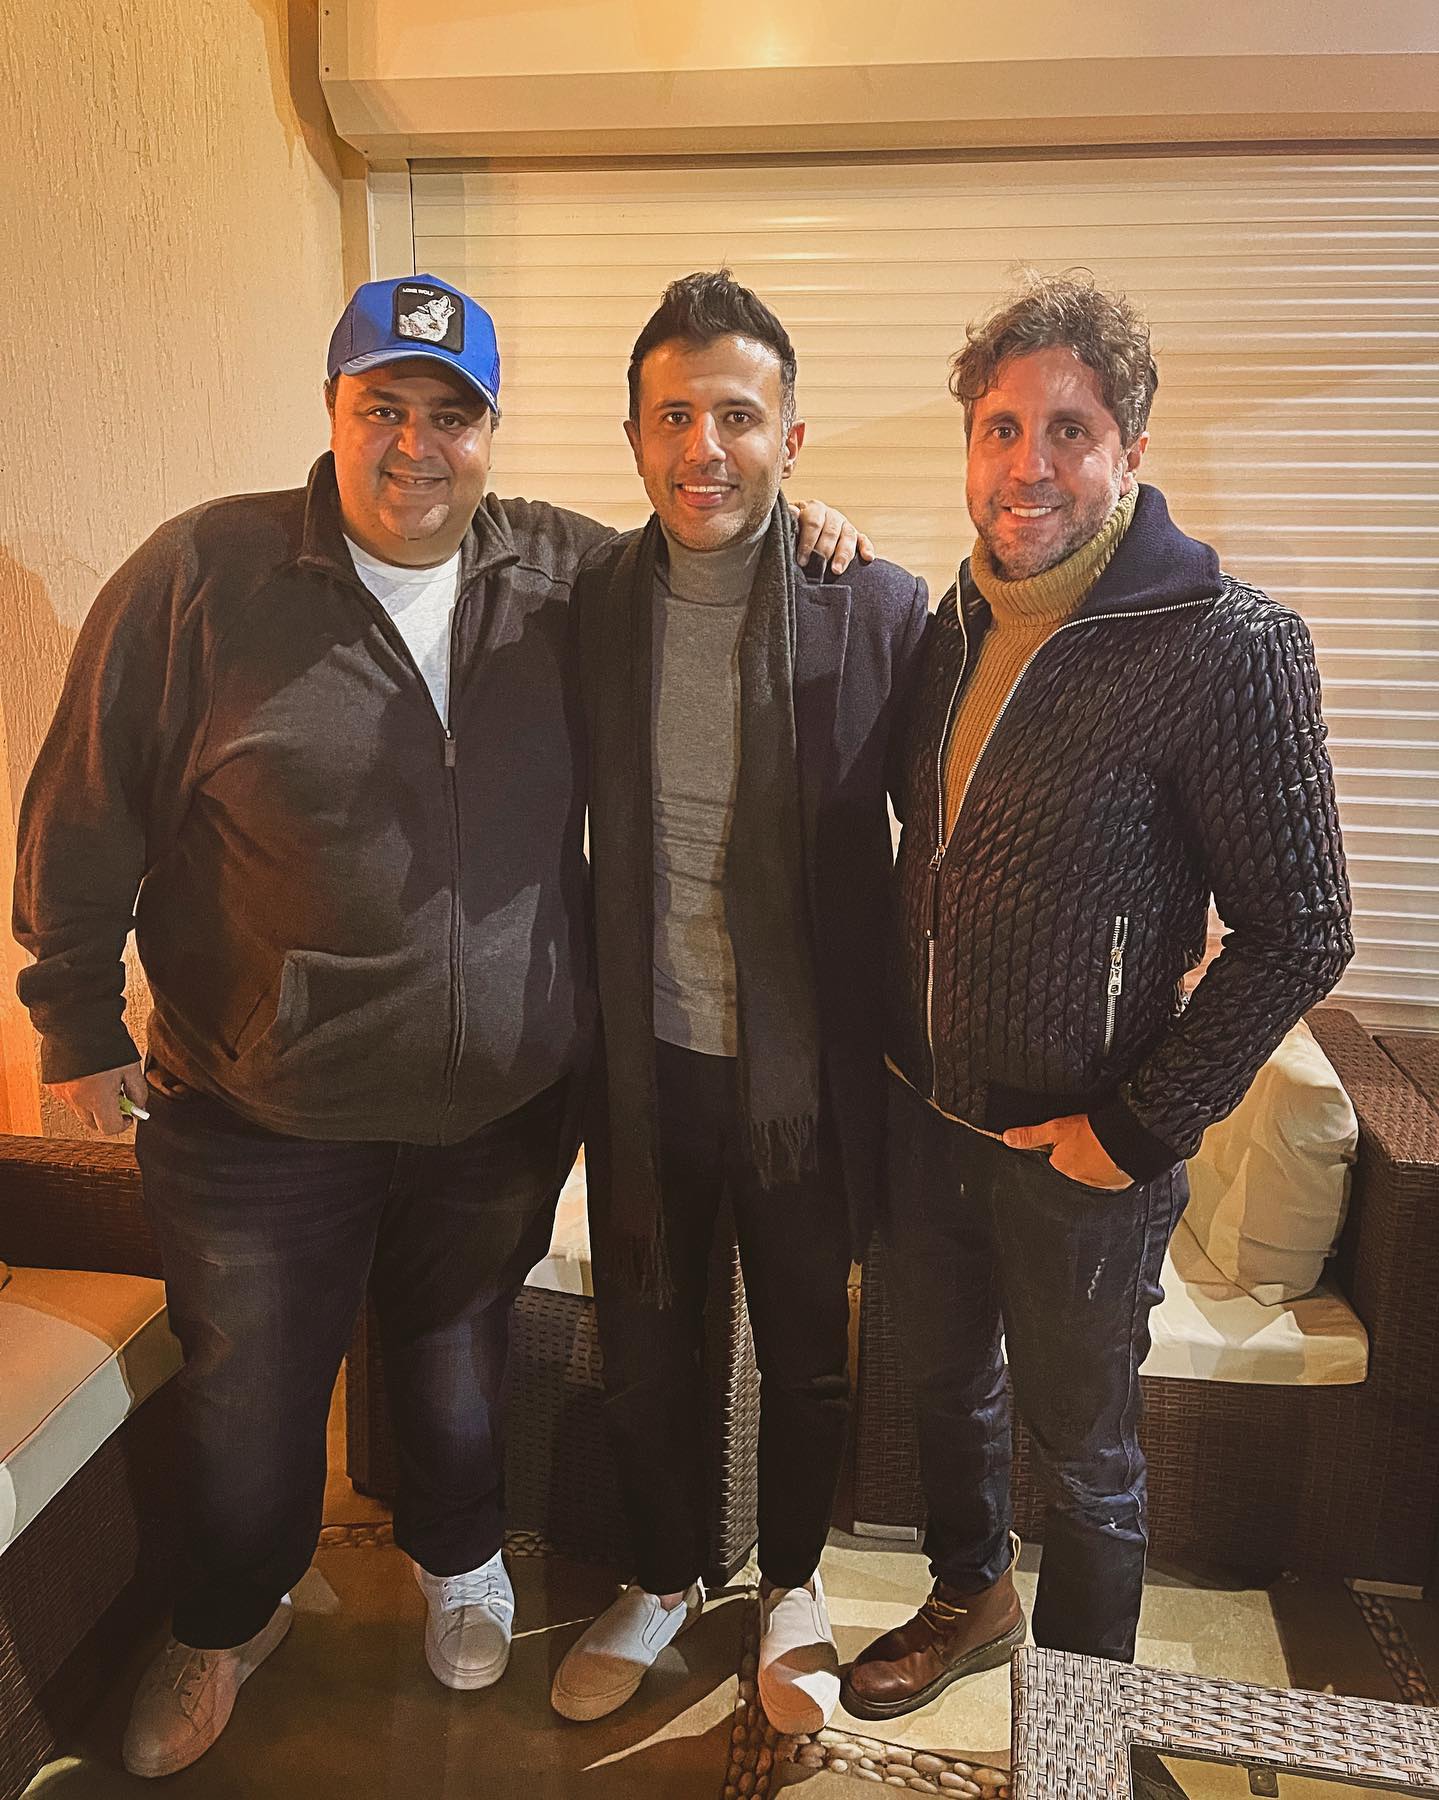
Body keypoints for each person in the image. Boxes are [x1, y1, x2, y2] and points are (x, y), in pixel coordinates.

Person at [11, 273, 864, 1779]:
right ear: (333, 412)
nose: (417, 446)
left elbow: (710, 540)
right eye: (384, 408)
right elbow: (82, 807)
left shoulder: (560, 569)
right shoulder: (203, 574)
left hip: (493, 1113)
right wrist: (73, 1016)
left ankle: (460, 1563)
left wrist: (810, 534)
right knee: (250, 1401)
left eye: (451, 415)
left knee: (460, 1366)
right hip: (259, 1113)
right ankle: (227, 1618)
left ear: (492, 431)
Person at [841, 271, 1353, 1719]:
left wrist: (1137, 1128)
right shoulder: (948, 622)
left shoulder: (1226, 644)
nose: (1029, 464)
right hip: (927, 1119)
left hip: (1083, 1154)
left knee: (1087, 1463)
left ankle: (1080, 1721)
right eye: (1000, 428)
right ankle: (970, 1599)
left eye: (1069, 428)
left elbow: (1302, 929)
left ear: (1129, 446)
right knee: (944, 1397)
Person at [548, 271, 929, 1736]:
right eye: (674, 417)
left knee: (809, 1356)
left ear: (791, 436)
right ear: (635, 437)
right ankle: (661, 1576)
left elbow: (944, 837)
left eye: (738, 416)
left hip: (807, 1074)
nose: (704, 447)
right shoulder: (589, 599)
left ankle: (793, 1586)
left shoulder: (874, 606)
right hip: (649, 1064)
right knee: (646, 1345)